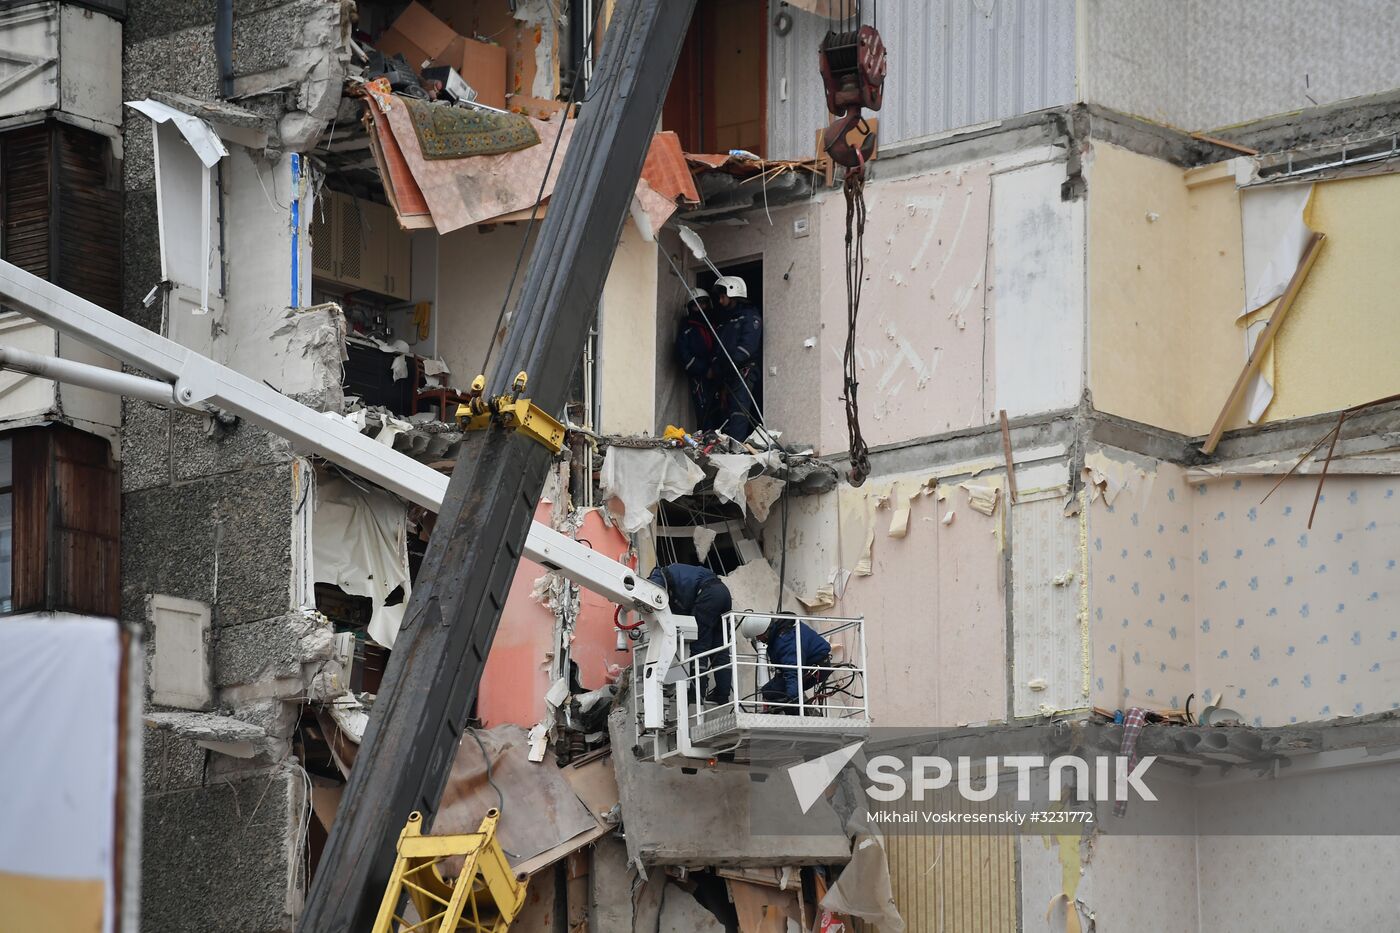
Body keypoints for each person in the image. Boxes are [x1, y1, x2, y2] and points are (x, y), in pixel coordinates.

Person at [646, 562, 733, 703]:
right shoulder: (674, 573)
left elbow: (656, 597)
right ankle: (723, 695)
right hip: (723, 593)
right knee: (720, 647)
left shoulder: (657, 577)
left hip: (708, 594)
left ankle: (697, 693)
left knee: (699, 645)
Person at [710, 275, 763, 440]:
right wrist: (717, 367)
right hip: (728, 372)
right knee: (724, 410)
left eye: (722, 296)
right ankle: (725, 444)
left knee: (739, 410)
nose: (720, 301)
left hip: (744, 369)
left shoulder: (750, 316)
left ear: (733, 293)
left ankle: (736, 448)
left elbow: (747, 347)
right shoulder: (725, 321)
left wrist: (728, 363)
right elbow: (718, 349)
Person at [754, 617, 831, 713]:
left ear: (764, 631)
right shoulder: (779, 634)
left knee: (783, 694)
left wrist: (791, 698)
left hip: (816, 667)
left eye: (758, 636)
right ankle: (799, 711)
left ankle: (801, 718)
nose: (757, 639)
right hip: (807, 665)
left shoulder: (785, 640)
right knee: (768, 691)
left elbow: (793, 671)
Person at [674, 286, 719, 429]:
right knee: (703, 409)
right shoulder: (687, 327)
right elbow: (683, 354)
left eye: (703, 303)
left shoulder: (715, 324)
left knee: (720, 407)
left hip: (719, 372)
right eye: (695, 305)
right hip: (699, 376)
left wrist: (718, 367)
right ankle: (707, 439)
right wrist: (705, 370)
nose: (700, 308)